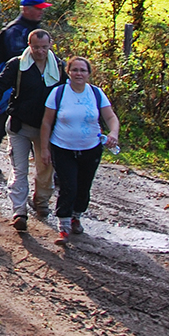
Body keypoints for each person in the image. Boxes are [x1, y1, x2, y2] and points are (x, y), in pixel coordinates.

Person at [0, 28, 62, 229]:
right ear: (29, 45)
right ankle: (19, 211)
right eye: (36, 47)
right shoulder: (18, 65)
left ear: (50, 45)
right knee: (20, 169)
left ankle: (41, 202)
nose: (40, 51)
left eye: (44, 47)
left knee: (45, 169)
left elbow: (68, 96)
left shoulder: (59, 68)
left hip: (47, 130)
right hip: (19, 125)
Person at [39, 56, 119, 245]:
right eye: (75, 70)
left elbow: (110, 117)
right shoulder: (58, 93)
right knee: (68, 186)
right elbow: (46, 122)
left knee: (83, 187)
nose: (79, 74)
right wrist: (44, 149)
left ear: (89, 74)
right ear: (68, 72)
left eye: (83, 70)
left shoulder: (96, 94)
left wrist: (113, 133)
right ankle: (64, 227)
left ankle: (76, 217)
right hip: (63, 148)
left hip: (90, 149)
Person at [0, 0, 52, 176]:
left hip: (26, 82)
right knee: (1, 121)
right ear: (26, 9)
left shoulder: (32, 29)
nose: (41, 12)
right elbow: (18, 59)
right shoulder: (16, 30)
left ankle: (48, 168)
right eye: (38, 9)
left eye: (43, 8)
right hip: (11, 82)